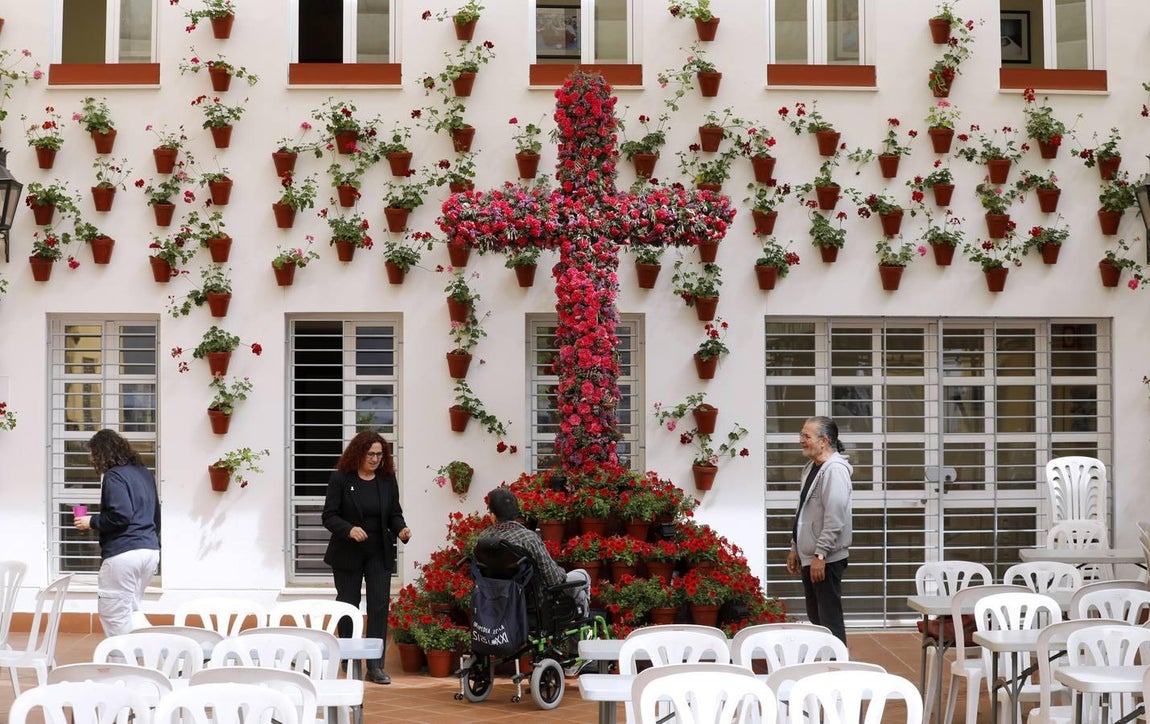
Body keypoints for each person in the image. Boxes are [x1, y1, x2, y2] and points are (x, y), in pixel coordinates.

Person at [322, 430, 411, 685]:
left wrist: (401, 529)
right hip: (347, 552)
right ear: (358, 453)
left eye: (379, 454)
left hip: (378, 552)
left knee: (379, 606)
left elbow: (394, 513)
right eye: (370, 454)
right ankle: (348, 658)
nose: (375, 459)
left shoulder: (387, 479)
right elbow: (329, 516)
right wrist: (349, 529)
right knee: (348, 605)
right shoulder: (341, 478)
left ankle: (375, 665)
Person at [73, 429, 160, 637]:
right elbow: (156, 514)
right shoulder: (144, 473)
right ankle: (155, 651)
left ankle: (122, 658)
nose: (93, 460)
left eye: (94, 455)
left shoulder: (114, 476)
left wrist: (91, 521)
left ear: (102, 453)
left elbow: (121, 515)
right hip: (149, 551)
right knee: (133, 611)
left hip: (124, 554)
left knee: (115, 617)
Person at [787, 415, 853, 645]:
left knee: (829, 621)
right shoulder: (811, 468)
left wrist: (821, 555)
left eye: (806, 436)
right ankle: (825, 660)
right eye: (801, 435)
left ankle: (838, 662)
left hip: (826, 559)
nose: (801, 440)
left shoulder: (834, 470)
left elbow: (835, 517)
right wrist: (795, 547)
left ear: (824, 441)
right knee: (817, 619)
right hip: (811, 556)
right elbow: (803, 511)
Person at [477, 487, 590, 618]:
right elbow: (553, 579)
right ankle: (582, 623)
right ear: (516, 512)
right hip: (535, 605)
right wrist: (561, 571)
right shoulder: (528, 538)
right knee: (583, 576)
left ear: (492, 514)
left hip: (500, 602)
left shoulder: (483, 539)